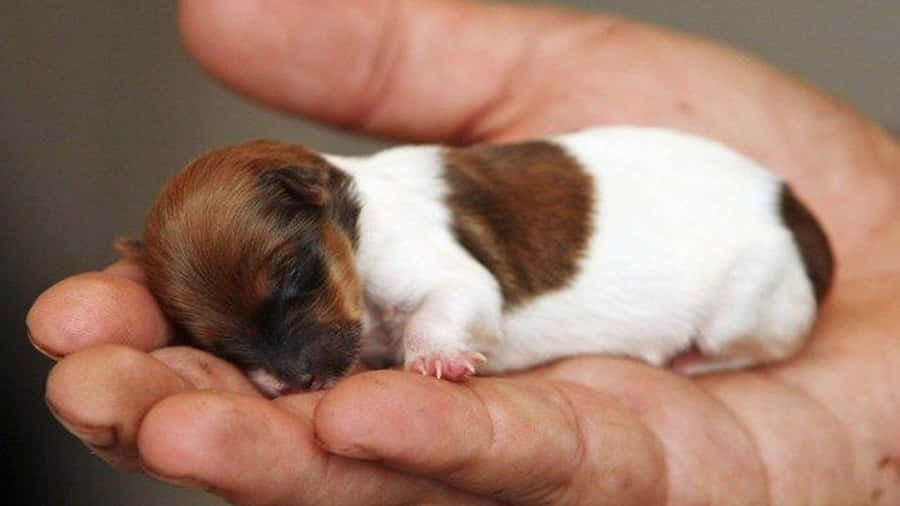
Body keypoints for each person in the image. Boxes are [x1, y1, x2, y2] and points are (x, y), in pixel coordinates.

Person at [27, 0, 900, 504]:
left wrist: (435, 341)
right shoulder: (323, 238)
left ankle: (731, 346)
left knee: (749, 293)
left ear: (316, 194)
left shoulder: (404, 215)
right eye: (236, 346)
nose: (289, 362)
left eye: (293, 287)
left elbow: (462, 292)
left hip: (753, 258)